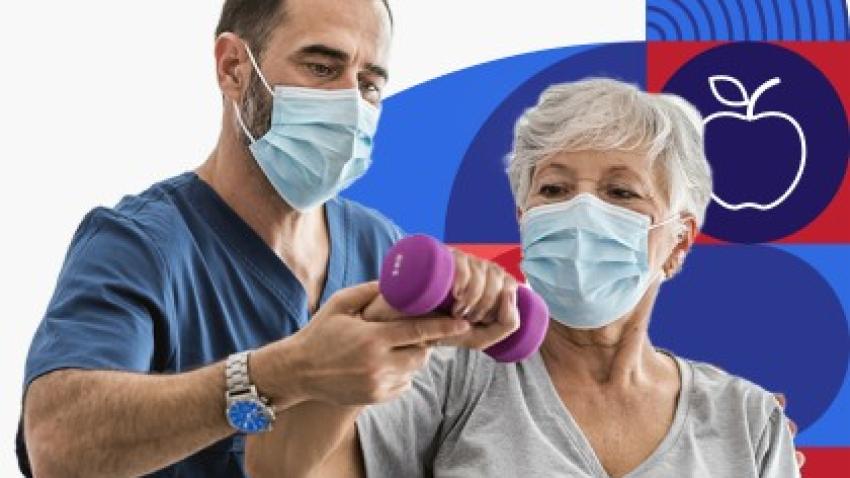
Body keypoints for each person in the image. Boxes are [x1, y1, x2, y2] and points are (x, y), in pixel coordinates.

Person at [17, 1, 521, 476]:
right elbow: (57, 447)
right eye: (322, 68)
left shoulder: (379, 246)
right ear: (234, 67)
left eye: (369, 84)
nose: (349, 103)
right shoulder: (140, 245)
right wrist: (283, 373)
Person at [244, 79, 803, 478]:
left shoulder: (747, 419)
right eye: (555, 190)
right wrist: (375, 334)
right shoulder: (453, 375)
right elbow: (281, 470)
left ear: (678, 241)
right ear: (524, 221)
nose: (582, 212)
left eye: (620, 192)